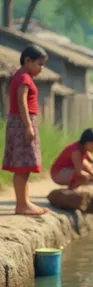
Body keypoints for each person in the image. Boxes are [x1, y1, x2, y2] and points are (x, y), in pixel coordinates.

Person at [2, 45, 48, 215]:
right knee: (22, 166)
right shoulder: (23, 78)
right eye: (39, 64)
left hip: (21, 121)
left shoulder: (23, 76)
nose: (41, 68)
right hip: (22, 123)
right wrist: (28, 125)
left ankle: (24, 202)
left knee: (25, 166)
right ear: (27, 61)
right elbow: (22, 103)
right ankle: (22, 204)